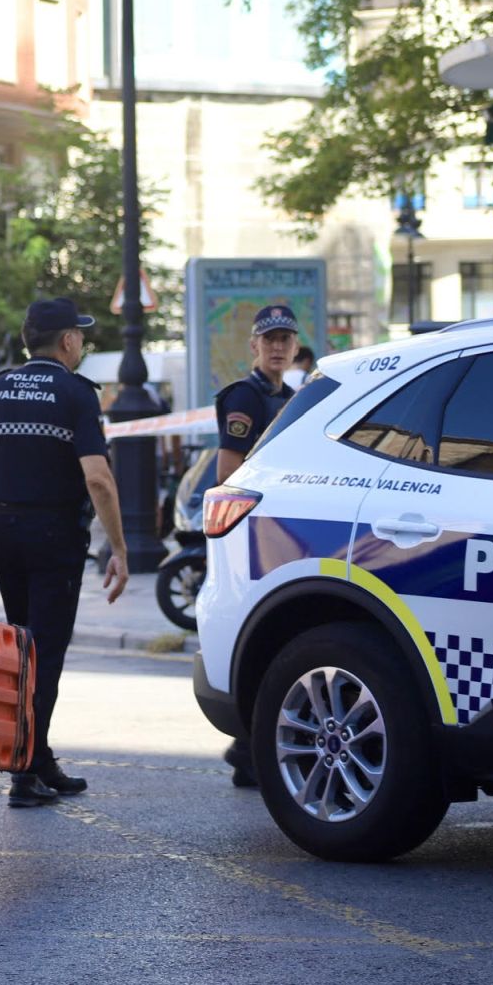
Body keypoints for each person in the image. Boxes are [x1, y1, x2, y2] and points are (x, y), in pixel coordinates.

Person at [0, 299, 130, 808]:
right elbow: (98, 478)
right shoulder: (76, 394)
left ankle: (36, 756)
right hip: (54, 534)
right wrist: (118, 547)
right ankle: (24, 772)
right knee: (45, 654)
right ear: (67, 342)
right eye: (80, 336)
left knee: (21, 650)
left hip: (6, 530)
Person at [212, 303, 300, 788]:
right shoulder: (245, 396)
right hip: (252, 529)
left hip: (281, 528)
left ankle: (249, 747)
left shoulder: (291, 396)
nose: (277, 347)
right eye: (269, 340)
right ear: (254, 345)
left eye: (285, 339)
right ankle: (248, 745)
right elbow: (229, 472)